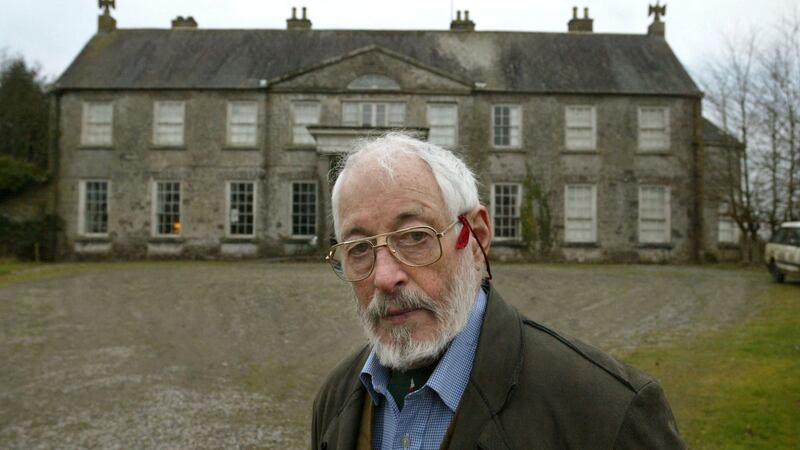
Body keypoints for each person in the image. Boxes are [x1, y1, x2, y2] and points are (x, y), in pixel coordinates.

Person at [312, 133, 685, 450]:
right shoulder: (334, 401)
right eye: (359, 248)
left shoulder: (609, 411)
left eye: (415, 237)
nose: (384, 277)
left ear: (476, 239)